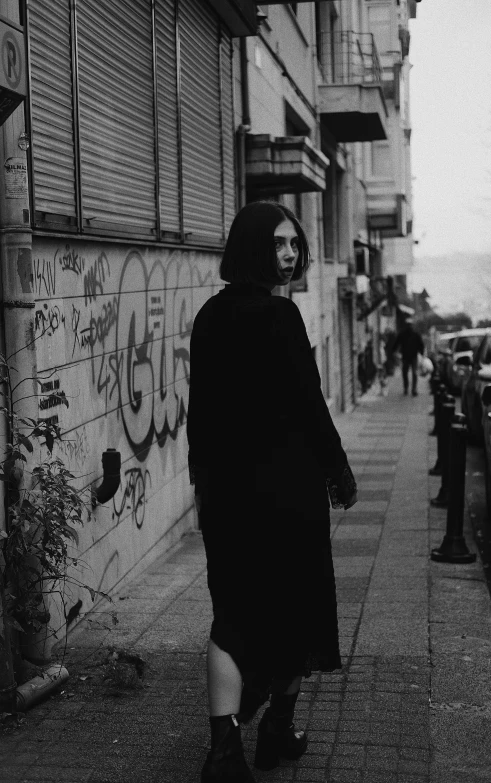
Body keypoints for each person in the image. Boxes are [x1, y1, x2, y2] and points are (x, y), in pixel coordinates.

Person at [187, 201, 358, 783]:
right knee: (297, 610)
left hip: (229, 497)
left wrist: (202, 484)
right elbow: (311, 408)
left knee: (231, 614)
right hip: (288, 493)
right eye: (279, 244)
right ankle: (276, 729)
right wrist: (339, 470)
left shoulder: (208, 317)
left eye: (294, 244)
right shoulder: (282, 320)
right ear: (254, 247)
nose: (289, 255)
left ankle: (224, 748)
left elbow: (200, 415)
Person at [392, 317, 425, 396]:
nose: (409, 326)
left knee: (413, 373)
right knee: (406, 373)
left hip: (412, 356)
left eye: (410, 325)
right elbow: (397, 343)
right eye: (408, 325)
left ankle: (413, 389)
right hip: (406, 357)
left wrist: (422, 353)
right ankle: (407, 388)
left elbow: (421, 345)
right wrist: (394, 350)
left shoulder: (415, 334)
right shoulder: (403, 334)